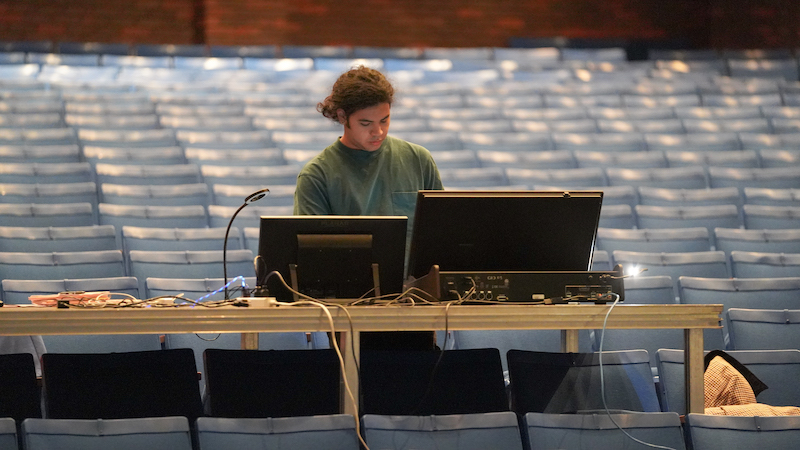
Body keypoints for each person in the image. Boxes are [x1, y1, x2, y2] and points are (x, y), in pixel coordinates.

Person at [294, 65, 443, 350]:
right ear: (342, 117)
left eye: (385, 120)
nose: (378, 131)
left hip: (415, 313)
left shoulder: (418, 160)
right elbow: (312, 263)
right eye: (366, 123)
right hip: (349, 318)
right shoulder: (317, 175)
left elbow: (441, 238)